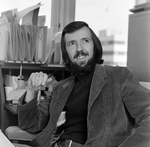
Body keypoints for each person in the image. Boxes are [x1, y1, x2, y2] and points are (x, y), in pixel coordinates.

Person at [18, 21, 150, 147]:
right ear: (66, 53)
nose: (79, 49)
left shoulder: (118, 77)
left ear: (94, 45)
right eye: (71, 44)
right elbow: (29, 124)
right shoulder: (60, 88)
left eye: (85, 41)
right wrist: (31, 89)